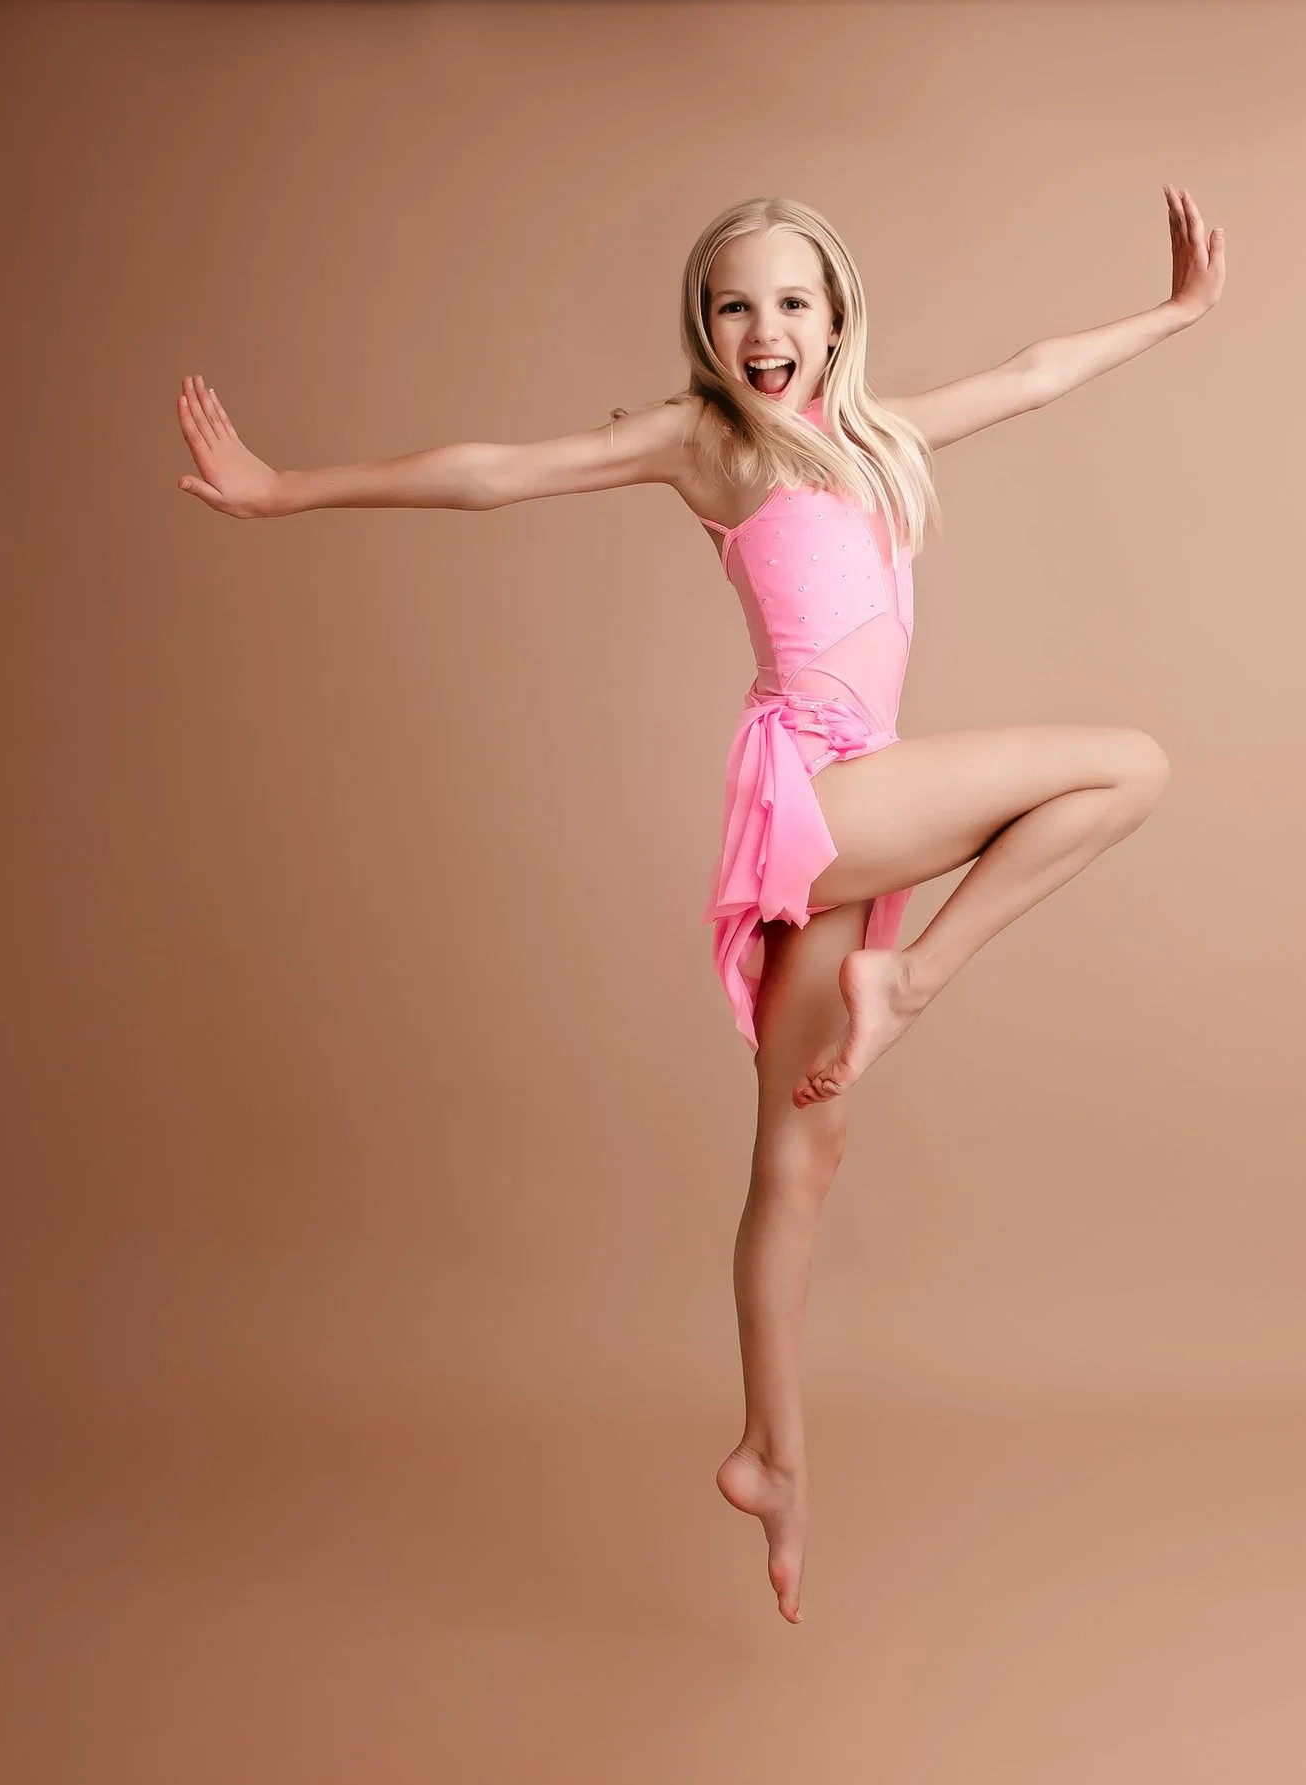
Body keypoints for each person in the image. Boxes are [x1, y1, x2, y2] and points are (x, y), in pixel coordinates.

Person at [174, 188, 1227, 1623]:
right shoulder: (710, 447)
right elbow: (497, 471)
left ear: (837, 317)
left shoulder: (882, 437)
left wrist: (1170, 314)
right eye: (735, 306)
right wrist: (284, 488)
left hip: (837, 823)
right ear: (704, 331)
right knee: (1128, 765)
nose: (764, 330)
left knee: (802, 1157)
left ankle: (772, 1461)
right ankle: (910, 986)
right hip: (820, 802)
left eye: (791, 302)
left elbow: (1034, 371)